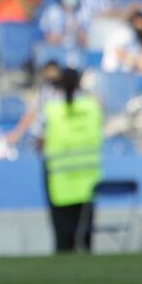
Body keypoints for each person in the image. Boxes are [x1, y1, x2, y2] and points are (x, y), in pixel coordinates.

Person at [38, 67, 102, 253]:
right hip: (87, 178)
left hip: (60, 178)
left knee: (63, 240)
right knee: (86, 238)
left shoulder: (51, 108)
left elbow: (39, 138)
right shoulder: (92, 105)